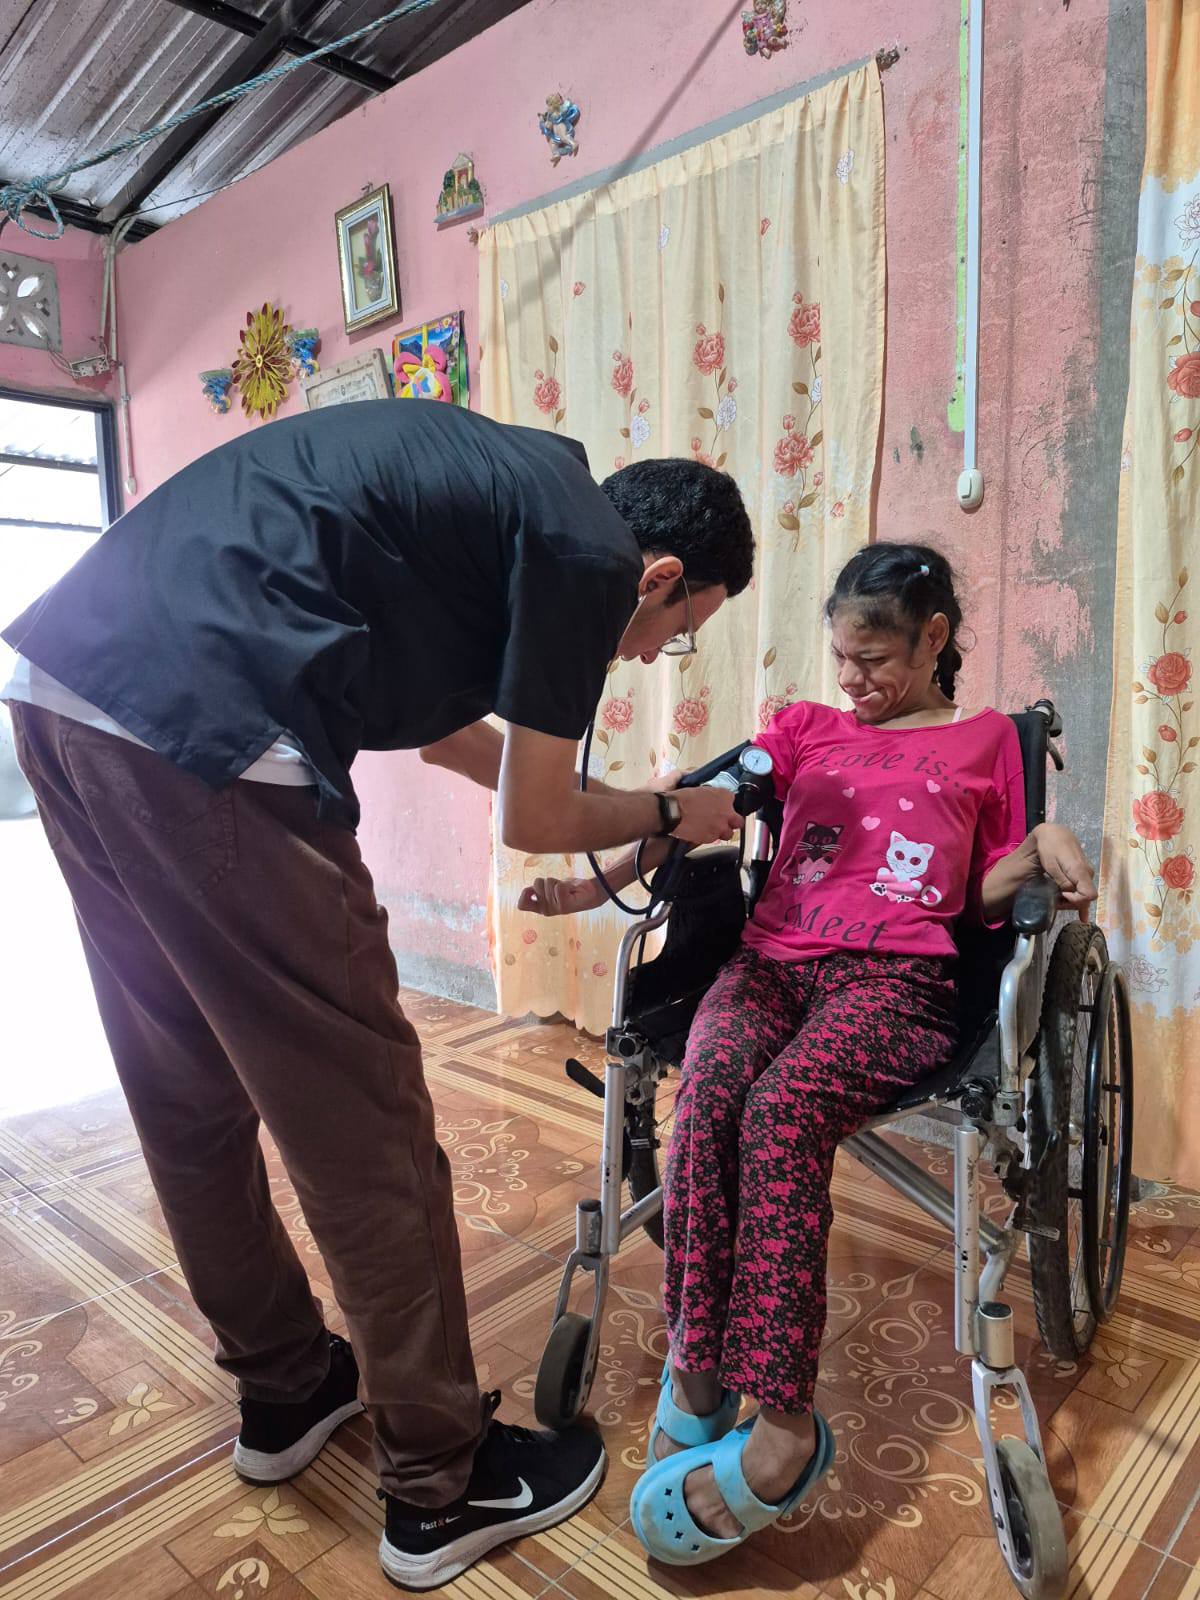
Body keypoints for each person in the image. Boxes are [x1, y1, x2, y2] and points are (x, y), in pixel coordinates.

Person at [0, 400, 754, 1590]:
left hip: (64, 693)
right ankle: (443, 1484)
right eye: (680, 633)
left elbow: (458, 742)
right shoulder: (588, 552)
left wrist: (612, 796)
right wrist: (669, 810)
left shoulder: (506, 506)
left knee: (185, 1085)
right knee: (368, 1123)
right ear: (658, 574)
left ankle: (288, 1387)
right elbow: (537, 818)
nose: (654, 655)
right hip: (209, 725)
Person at [521, 541, 1097, 1565]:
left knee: (782, 1115)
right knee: (708, 1095)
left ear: (933, 638)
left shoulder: (986, 744)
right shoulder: (803, 729)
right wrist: (582, 886)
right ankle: (699, 1369)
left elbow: (977, 899)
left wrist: (1042, 850)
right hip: (771, 964)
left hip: (898, 982)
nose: (853, 681)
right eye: (842, 659)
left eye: (873, 660)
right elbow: (700, 802)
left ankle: (784, 1425)